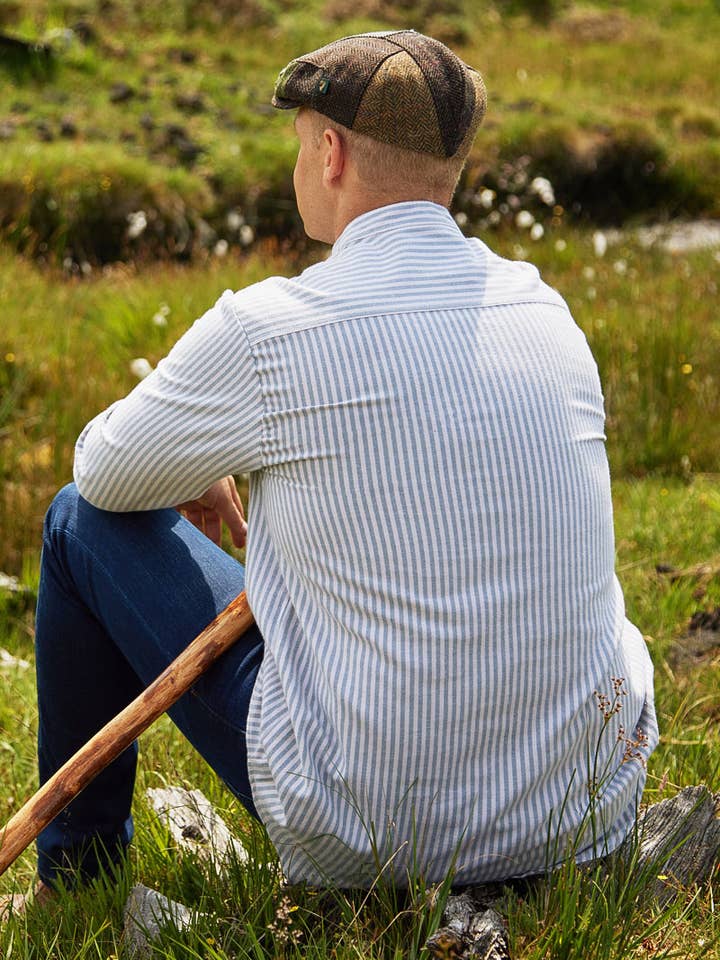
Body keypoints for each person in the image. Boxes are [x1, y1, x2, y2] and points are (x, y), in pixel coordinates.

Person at [23, 29, 659, 899]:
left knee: (76, 521)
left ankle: (81, 875)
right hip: (580, 809)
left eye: (300, 141)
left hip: (368, 831)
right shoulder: (547, 311)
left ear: (330, 153)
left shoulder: (270, 329)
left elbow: (104, 471)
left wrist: (185, 468)